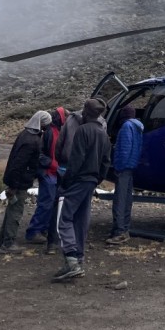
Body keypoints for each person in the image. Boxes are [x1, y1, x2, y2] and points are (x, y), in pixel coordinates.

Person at [53, 99, 110, 282]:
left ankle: (71, 261)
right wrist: (97, 179)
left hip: (78, 180)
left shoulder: (82, 131)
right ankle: (78, 259)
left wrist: (66, 182)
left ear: (86, 112)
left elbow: (76, 160)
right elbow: (106, 162)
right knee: (81, 220)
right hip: (91, 182)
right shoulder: (103, 134)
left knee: (64, 219)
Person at [0, 111, 50, 254]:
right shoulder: (33, 140)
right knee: (15, 212)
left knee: (11, 210)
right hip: (20, 182)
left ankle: (1, 242)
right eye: (47, 124)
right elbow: (19, 164)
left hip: (16, 180)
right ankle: (8, 244)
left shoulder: (25, 135)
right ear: (42, 123)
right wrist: (14, 185)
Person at [25, 107, 66, 253]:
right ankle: (34, 231)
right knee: (46, 203)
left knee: (51, 203)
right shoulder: (49, 132)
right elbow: (40, 154)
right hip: (48, 172)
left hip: (54, 173)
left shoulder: (57, 131)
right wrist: (53, 164)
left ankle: (42, 229)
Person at [106, 105, 143, 245]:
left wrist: (118, 166)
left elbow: (124, 149)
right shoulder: (138, 127)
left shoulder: (126, 127)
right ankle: (124, 229)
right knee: (127, 200)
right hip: (131, 167)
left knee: (120, 201)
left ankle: (119, 231)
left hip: (123, 168)